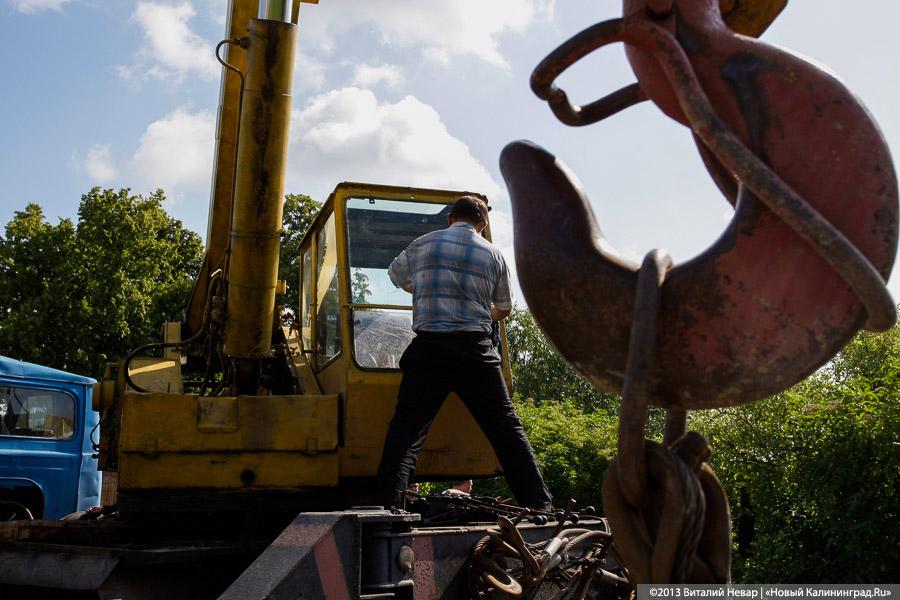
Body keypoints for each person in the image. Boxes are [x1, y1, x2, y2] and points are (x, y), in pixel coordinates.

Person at [375, 195, 552, 511]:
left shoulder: (423, 244)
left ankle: (387, 506)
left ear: (450, 219)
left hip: (428, 349)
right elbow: (504, 308)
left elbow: (396, 275)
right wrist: (482, 313)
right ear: (482, 225)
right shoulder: (493, 255)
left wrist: (424, 290)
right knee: (506, 430)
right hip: (475, 352)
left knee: (405, 434)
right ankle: (539, 506)